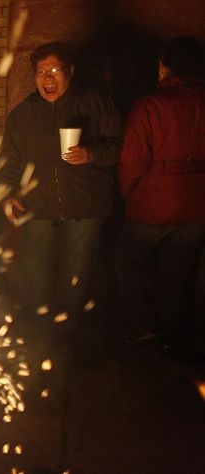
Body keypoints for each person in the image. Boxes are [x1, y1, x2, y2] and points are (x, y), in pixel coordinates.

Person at [0, 42, 123, 326]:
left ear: (70, 72)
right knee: (37, 277)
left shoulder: (94, 102)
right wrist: (9, 193)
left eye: (55, 70)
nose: (48, 78)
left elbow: (119, 144)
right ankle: (38, 339)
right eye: (42, 72)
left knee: (74, 280)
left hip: (85, 208)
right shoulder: (22, 115)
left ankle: (68, 337)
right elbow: (10, 160)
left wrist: (92, 153)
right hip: (39, 208)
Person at [115, 36, 205, 362]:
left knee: (127, 264)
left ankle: (143, 326)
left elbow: (132, 161)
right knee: (177, 275)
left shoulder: (151, 103)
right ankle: (173, 337)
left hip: (152, 206)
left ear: (165, 66)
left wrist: (130, 196)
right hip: (197, 210)